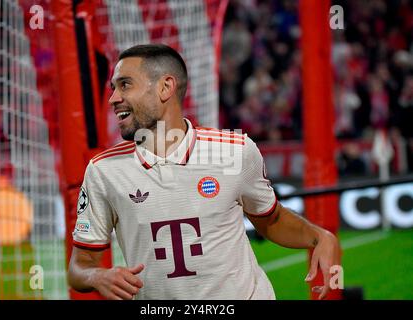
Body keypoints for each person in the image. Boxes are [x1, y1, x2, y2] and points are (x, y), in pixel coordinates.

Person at [68, 44, 340, 300]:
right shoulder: (103, 171)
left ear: (165, 87)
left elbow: (270, 218)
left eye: (125, 85)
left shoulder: (235, 150)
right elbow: (80, 266)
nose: (114, 98)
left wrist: (319, 236)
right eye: (112, 88)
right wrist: (96, 275)